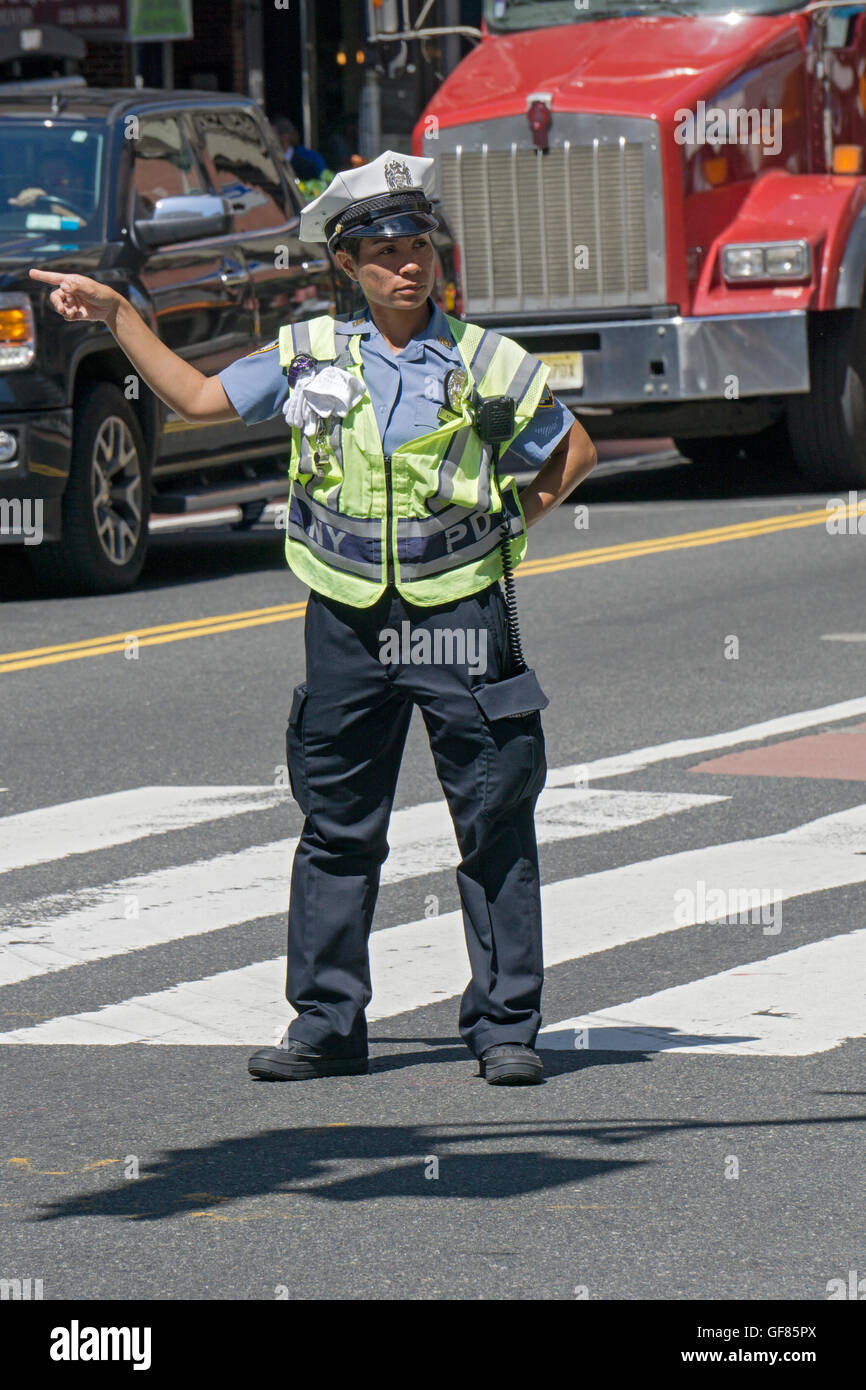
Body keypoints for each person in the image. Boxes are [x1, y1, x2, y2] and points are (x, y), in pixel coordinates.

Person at [28, 149, 596, 1087]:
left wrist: (511, 525)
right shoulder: (309, 354)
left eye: (418, 245)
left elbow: (572, 450)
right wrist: (122, 315)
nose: (406, 264)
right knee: (337, 825)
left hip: (460, 614)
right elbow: (200, 400)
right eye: (383, 251)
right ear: (347, 264)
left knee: (493, 820)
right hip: (345, 620)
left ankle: (504, 1026)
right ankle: (328, 1023)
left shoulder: (484, 361)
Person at [271, 116, 327, 184]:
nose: (269, 140)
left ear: (285, 137)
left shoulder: (307, 167)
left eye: (272, 136)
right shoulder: (270, 163)